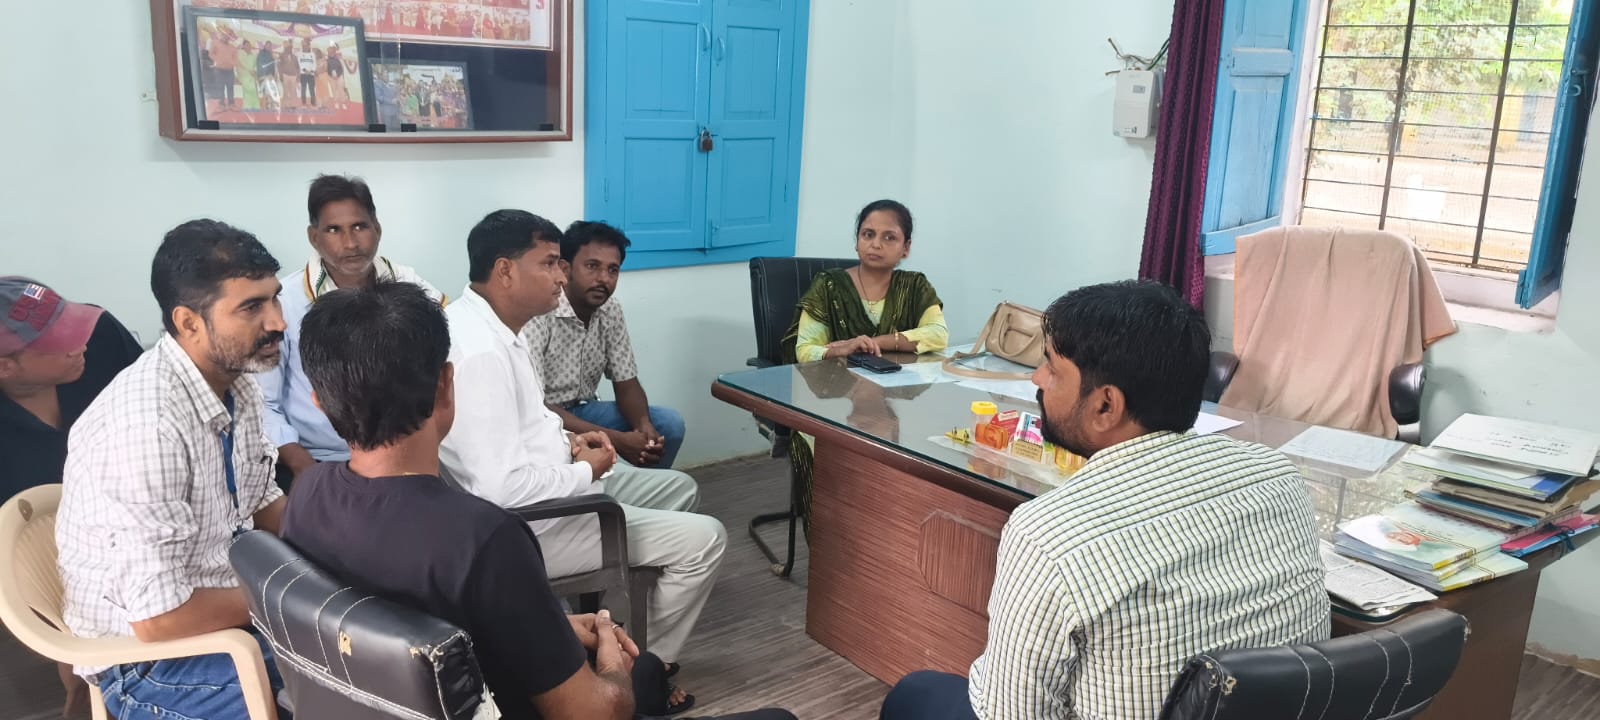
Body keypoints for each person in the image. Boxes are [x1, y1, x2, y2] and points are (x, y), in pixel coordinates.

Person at [281, 282, 795, 720]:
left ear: (320, 402)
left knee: (644, 676)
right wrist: (611, 657)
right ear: (446, 386)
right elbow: (596, 713)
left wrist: (553, 625)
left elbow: (418, 623)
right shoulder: (485, 540)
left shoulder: (306, 498)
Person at [879, 281, 1330, 720]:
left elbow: (1009, 713)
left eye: (1052, 368)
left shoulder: (1047, 536)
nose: (1037, 378)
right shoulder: (1280, 476)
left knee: (915, 694)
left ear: (1105, 406)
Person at [439, 210, 726, 693]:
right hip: (526, 529)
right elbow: (500, 488)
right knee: (707, 539)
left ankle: (604, 625)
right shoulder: (485, 353)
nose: (561, 276)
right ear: (505, 270)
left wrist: (569, 441)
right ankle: (638, 672)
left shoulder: (486, 326)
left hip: (542, 488)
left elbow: (526, 424)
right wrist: (586, 471)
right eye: (550, 264)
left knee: (680, 490)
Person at [56, 220, 292, 720]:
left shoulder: (237, 382)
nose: (278, 322)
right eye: (251, 307)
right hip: (147, 664)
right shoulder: (149, 425)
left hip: (222, 616)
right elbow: (160, 620)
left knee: (371, 660)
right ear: (188, 323)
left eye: (275, 298)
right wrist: (290, 596)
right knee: (339, 693)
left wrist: (345, 552)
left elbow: (262, 501)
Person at [0, 278, 143, 716]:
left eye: (72, 323)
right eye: (58, 341)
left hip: (144, 525)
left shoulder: (101, 341)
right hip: (42, 568)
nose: (78, 343)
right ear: (6, 368)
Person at [258, 174, 444, 489]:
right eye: (334, 230)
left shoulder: (410, 285)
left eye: (360, 227)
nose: (350, 243)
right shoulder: (285, 303)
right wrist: (303, 467)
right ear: (314, 237)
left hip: (402, 457)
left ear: (377, 229)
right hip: (319, 460)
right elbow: (263, 402)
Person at [781, 199, 948, 530]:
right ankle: (833, 540)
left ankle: (888, 539)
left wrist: (876, 342)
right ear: (857, 240)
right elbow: (804, 351)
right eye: (868, 234)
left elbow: (937, 335)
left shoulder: (915, 287)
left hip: (897, 401)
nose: (876, 244)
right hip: (828, 402)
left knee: (926, 454)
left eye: (889, 237)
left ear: (906, 248)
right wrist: (841, 349)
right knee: (832, 467)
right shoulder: (829, 286)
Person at [524, 221, 687, 469]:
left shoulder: (610, 310)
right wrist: (617, 439)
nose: (604, 279)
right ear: (565, 269)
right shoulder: (541, 312)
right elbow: (534, 405)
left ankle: (642, 490)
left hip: (585, 410)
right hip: (542, 418)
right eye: (592, 266)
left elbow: (626, 383)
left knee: (668, 425)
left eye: (613, 270)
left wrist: (643, 425)